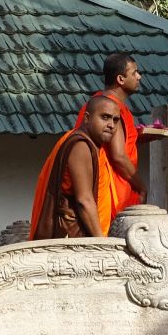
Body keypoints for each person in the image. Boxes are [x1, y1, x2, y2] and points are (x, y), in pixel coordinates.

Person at [29, 95, 120, 239]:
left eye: (115, 120)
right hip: (71, 234)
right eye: (105, 117)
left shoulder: (92, 145)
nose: (111, 125)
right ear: (87, 118)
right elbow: (84, 200)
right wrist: (101, 242)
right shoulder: (81, 146)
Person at [72, 53, 149, 221]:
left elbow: (109, 144)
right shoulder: (111, 107)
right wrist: (142, 186)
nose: (139, 77)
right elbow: (118, 156)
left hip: (98, 189)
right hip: (112, 193)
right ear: (121, 79)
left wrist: (138, 138)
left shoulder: (96, 103)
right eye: (135, 72)